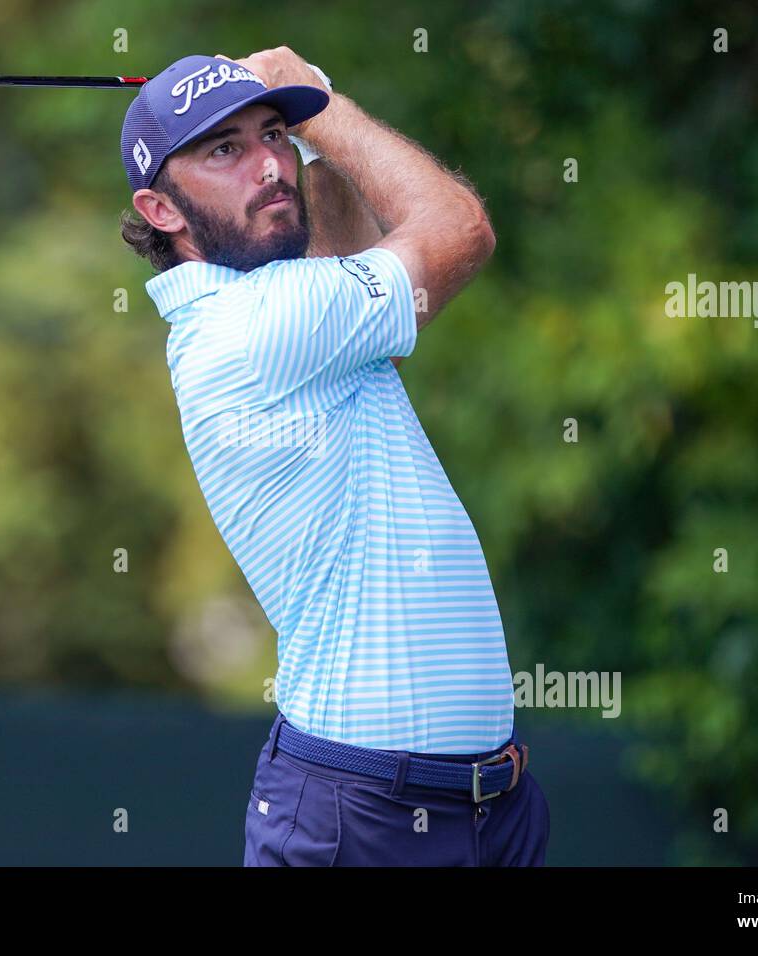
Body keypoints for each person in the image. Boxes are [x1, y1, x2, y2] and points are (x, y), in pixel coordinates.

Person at [119, 48, 548, 866]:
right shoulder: (251, 330)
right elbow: (461, 229)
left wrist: (314, 146)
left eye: (274, 134)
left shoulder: (288, 310)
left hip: (488, 807)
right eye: (225, 150)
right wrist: (325, 106)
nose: (269, 164)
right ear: (161, 209)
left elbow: (346, 261)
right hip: (365, 818)